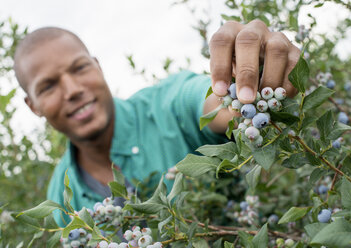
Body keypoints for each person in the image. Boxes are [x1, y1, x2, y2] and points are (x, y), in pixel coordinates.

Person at [13, 19, 300, 226]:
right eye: (48, 86)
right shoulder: (61, 200)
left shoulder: (166, 108)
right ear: (33, 106)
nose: (72, 89)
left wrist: (248, 82)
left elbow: (212, 104)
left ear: (98, 67)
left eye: (80, 68)